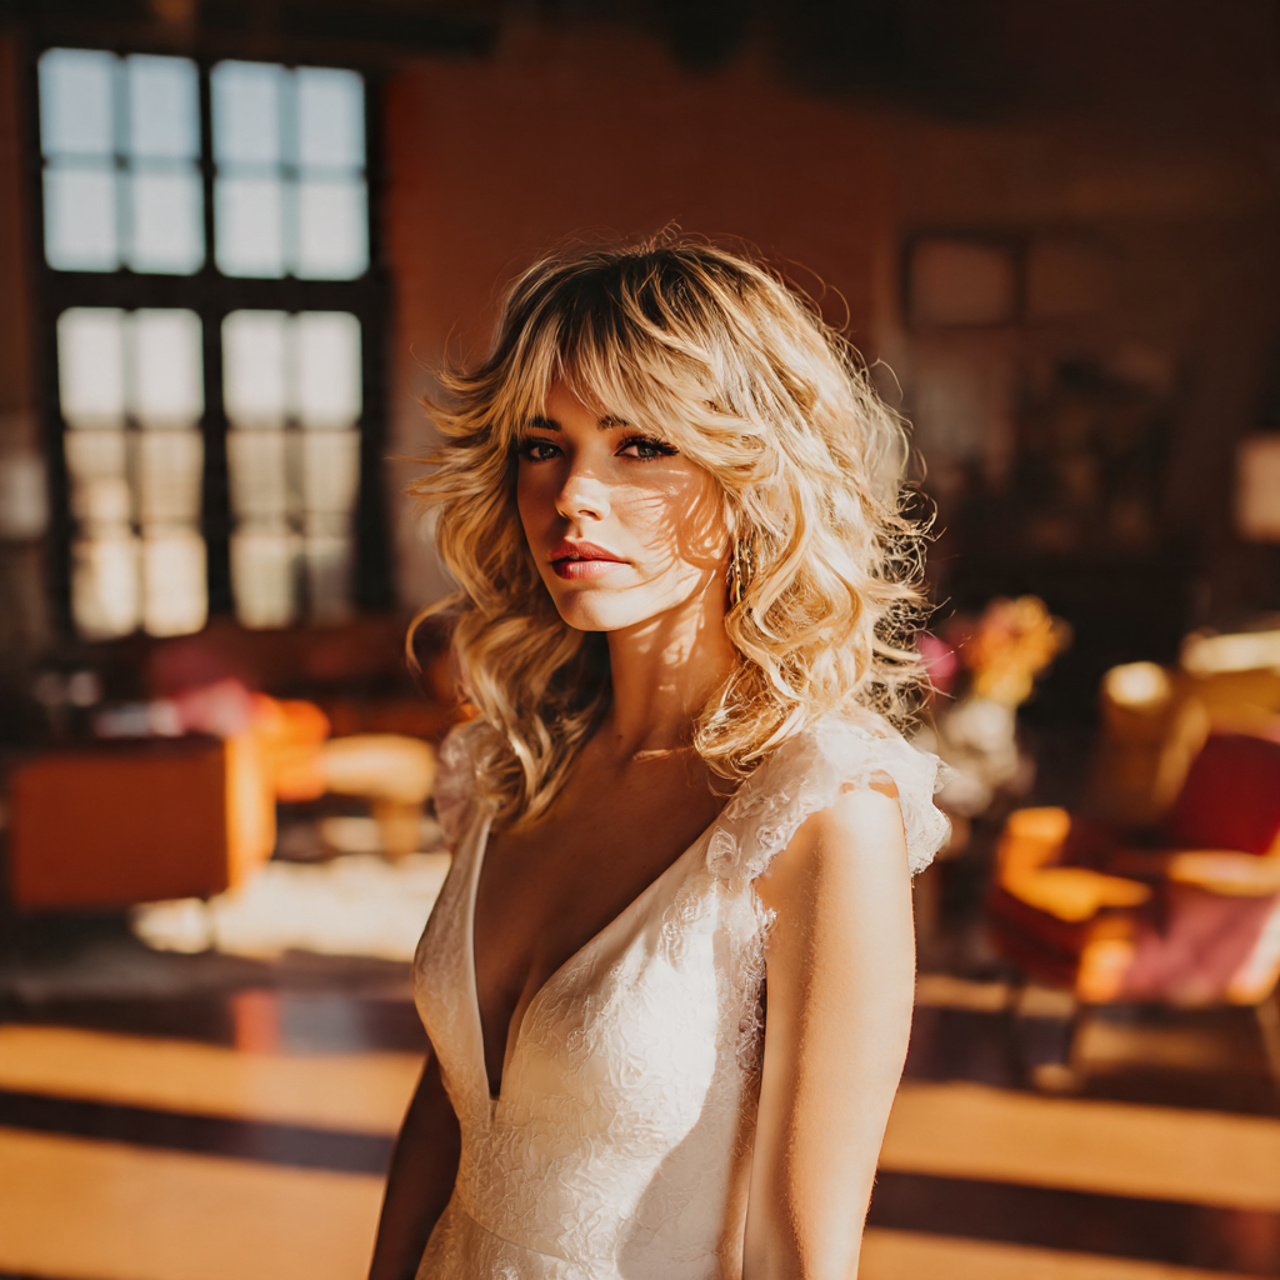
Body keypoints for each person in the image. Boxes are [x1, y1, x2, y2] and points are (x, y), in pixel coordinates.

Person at [369, 237, 948, 1280]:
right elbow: (451, 1108)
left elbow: (797, 1257)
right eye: (542, 445)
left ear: (750, 475)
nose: (572, 495)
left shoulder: (820, 810)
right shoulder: (508, 764)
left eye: (639, 444)